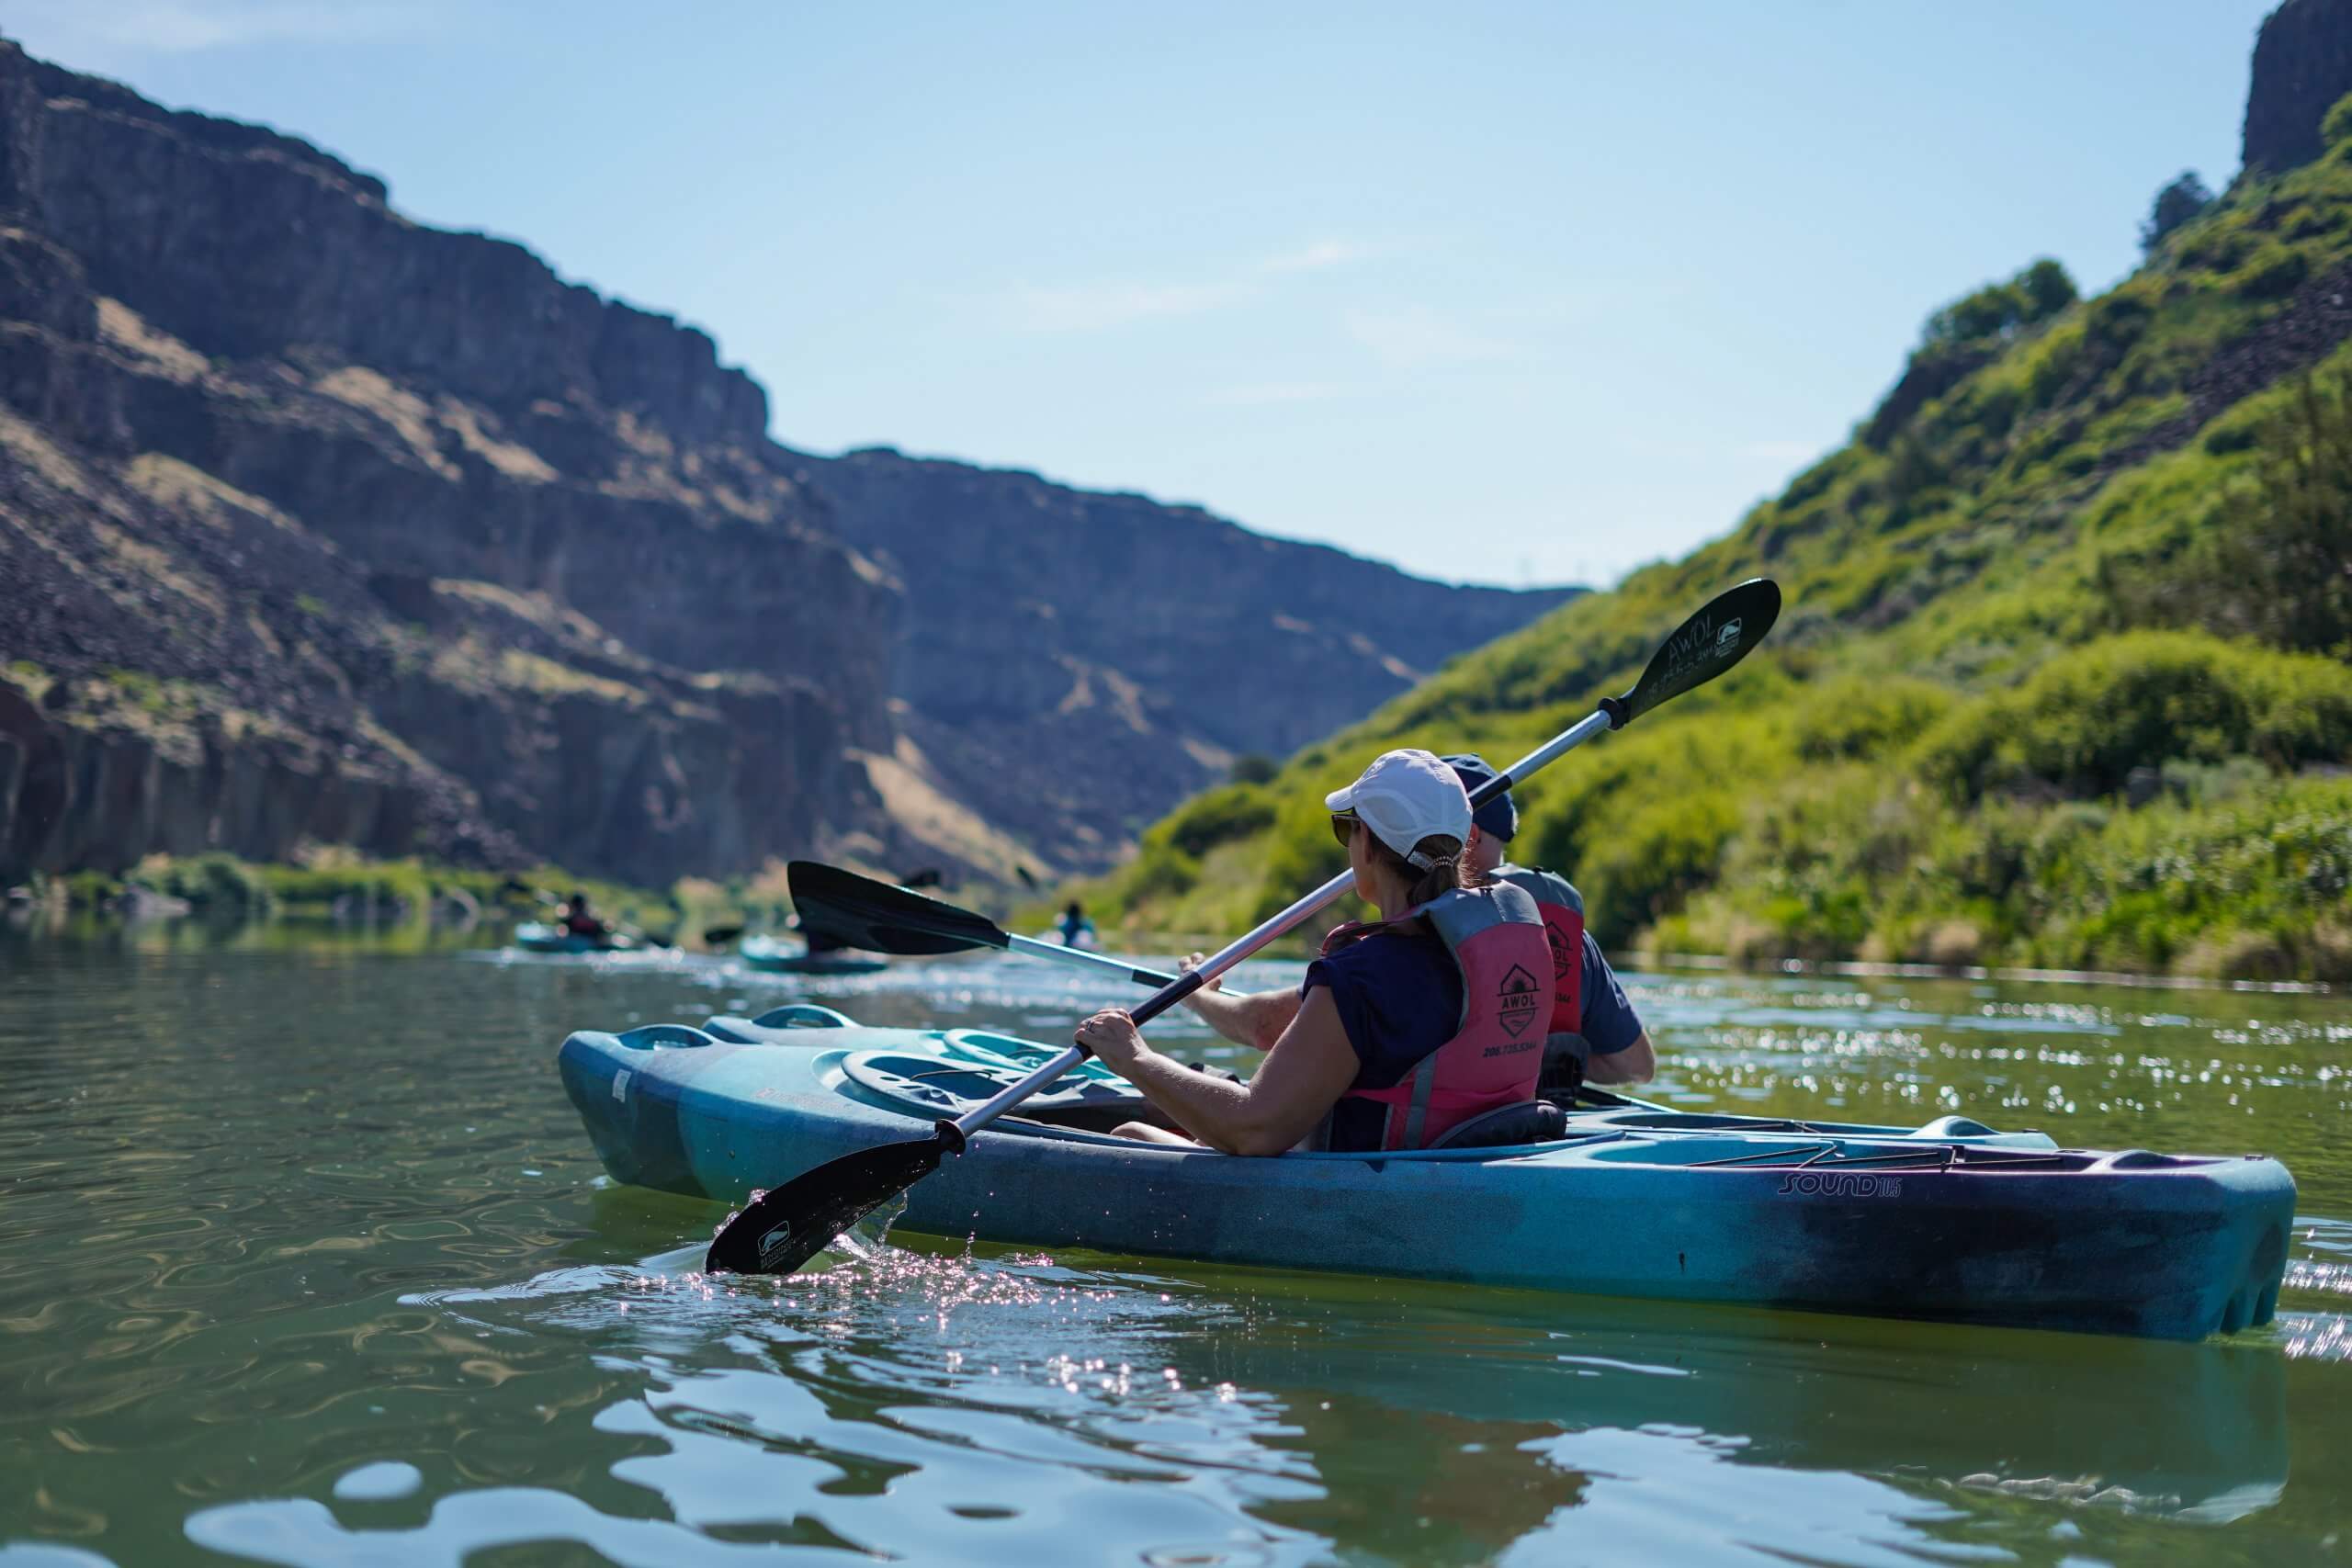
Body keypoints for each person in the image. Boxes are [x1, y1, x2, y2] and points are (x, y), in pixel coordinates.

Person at [1072, 749, 1555, 1155]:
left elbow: (1254, 1128)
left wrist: (1134, 1056)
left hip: (1360, 1196)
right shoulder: (1499, 936)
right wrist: (1201, 998)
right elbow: (1275, 1024)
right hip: (1467, 1164)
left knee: (1130, 1135)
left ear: (1367, 844)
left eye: (1347, 828)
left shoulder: (1366, 974)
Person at [1440, 753, 1655, 1090]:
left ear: (1470, 836)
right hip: (1540, 1124)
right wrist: (1543, 1062)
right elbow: (1635, 1065)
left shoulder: (1419, 930)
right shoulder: (1569, 936)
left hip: (1446, 1137)